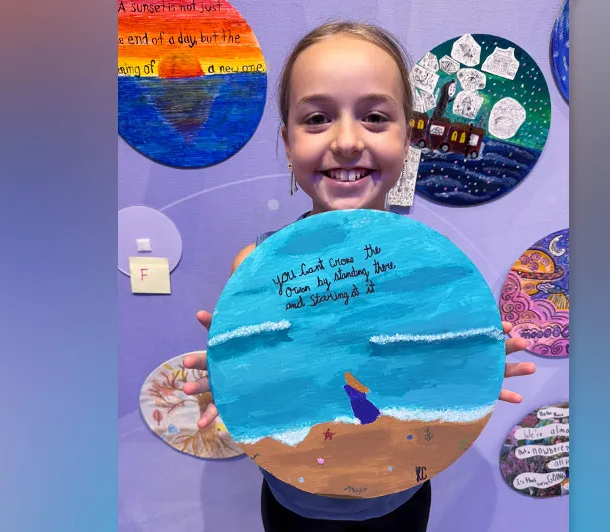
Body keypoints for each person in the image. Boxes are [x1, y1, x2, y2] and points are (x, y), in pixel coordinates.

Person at [181, 21, 535, 531]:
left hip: (399, 497)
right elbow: (275, 385)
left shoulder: (432, 273)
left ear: (408, 138)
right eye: (317, 119)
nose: (347, 141)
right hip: (293, 501)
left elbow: (420, 379)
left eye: (374, 117)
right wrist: (233, 377)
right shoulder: (255, 268)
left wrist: (466, 367)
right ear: (287, 143)